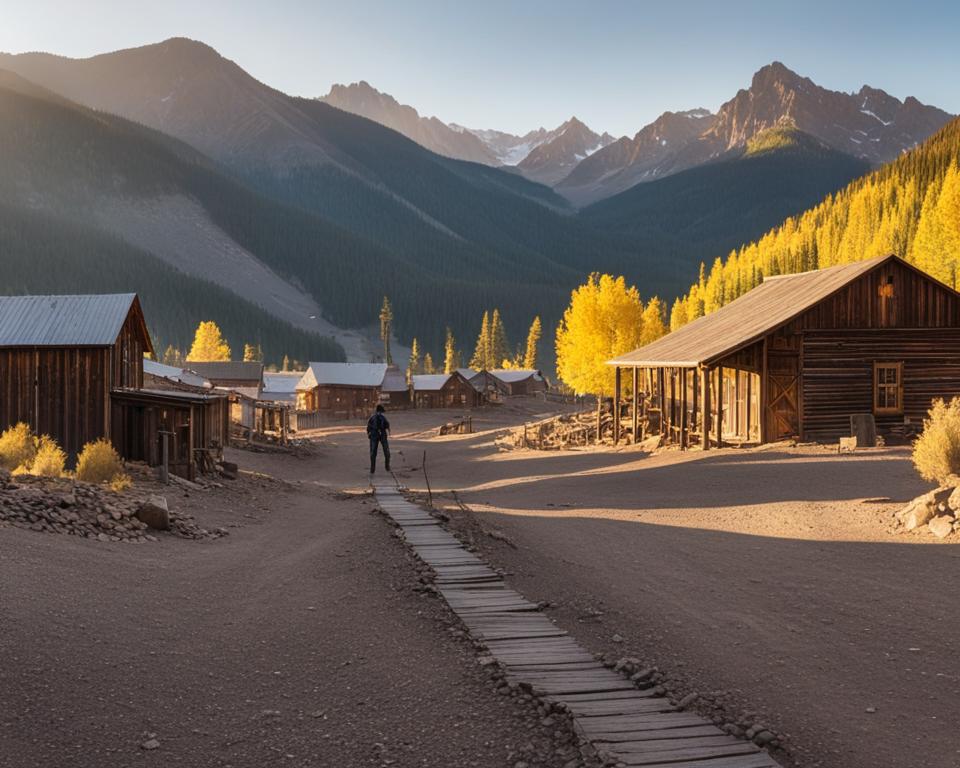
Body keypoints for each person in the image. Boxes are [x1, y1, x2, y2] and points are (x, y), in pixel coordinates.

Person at [367, 404, 391, 474]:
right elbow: (387, 425)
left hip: (376, 435)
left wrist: (369, 434)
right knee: (383, 451)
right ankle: (385, 466)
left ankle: (374, 468)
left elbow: (368, 427)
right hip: (377, 434)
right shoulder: (380, 417)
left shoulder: (374, 417)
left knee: (374, 452)